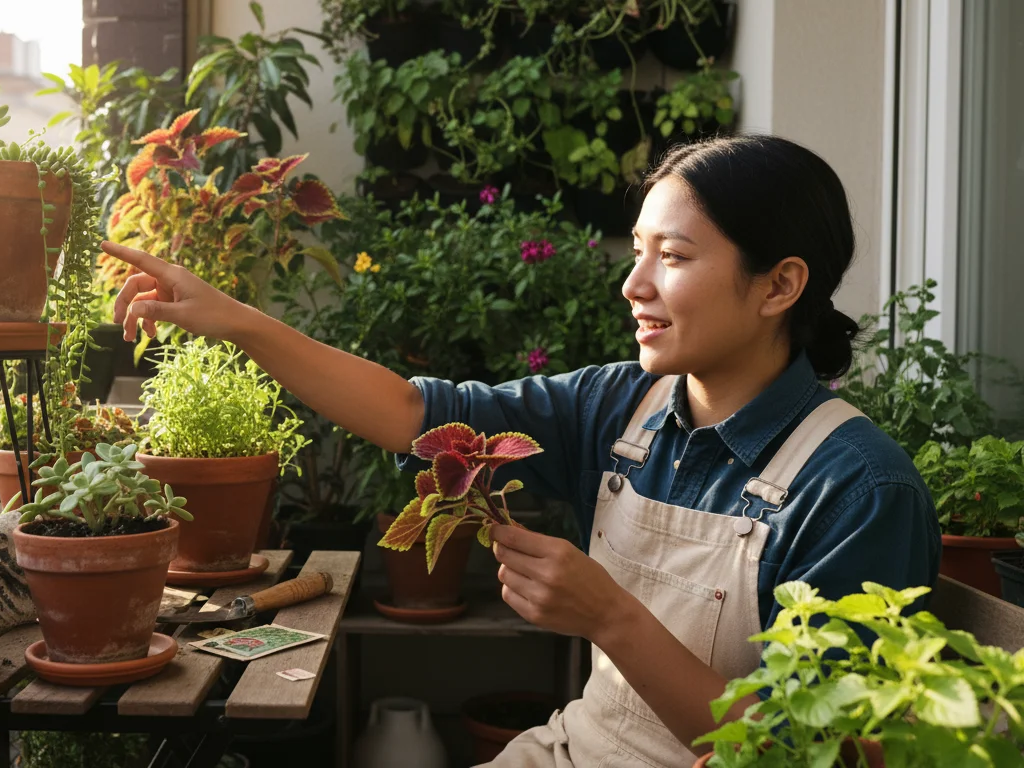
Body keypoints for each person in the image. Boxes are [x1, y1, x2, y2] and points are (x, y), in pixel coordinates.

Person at [101, 134, 941, 767]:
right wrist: (231, 318)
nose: (634, 284)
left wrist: (609, 615)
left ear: (780, 285)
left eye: (674, 257)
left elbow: (816, 755)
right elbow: (411, 412)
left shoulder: (857, 490)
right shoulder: (624, 406)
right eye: (639, 250)